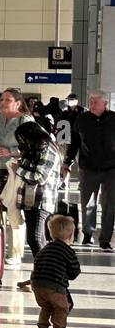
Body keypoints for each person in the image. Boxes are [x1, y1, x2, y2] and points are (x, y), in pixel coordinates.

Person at [0, 88, 32, 267]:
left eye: (8, 100)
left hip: (13, 173)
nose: (2, 102)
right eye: (2, 99)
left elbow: (34, 147)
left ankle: (15, 253)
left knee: (14, 214)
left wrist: (11, 151)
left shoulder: (25, 120)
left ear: (18, 103)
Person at [13, 120, 64, 288]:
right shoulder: (34, 150)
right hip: (30, 199)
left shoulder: (48, 150)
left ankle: (46, 276)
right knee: (36, 238)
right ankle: (39, 275)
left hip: (42, 199)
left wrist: (18, 169)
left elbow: (40, 177)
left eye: (23, 139)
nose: (22, 143)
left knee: (35, 238)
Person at [63, 89, 115, 250]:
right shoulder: (82, 119)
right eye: (91, 101)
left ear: (105, 104)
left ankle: (105, 238)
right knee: (88, 203)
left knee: (109, 204)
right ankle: (87, 233)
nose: (91, 105)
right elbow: (75, 142)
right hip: (88, 167)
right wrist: (67, 161)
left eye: (95, 102)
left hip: (111, 169)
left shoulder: (114, 119)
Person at [31, 215, 80, 328]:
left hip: (37, 285)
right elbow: (74, 270)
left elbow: (37, 263)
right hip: (55, 286)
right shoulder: (68, 251)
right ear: (70, 236)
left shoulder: (44, 249)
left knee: (46, 306)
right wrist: (68, 275)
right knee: (62, 308)